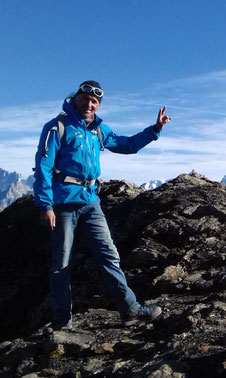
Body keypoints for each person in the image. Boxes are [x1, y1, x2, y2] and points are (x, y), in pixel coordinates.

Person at [33, 80, 170, 329]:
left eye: (95, 101)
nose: (89, 104)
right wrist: (46, 205)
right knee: (61, 264)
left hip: (91, 201)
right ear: (76, 99)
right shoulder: (57, 127)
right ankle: (62, 322)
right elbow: (43, 165)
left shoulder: (98, 130)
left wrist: (155, 129)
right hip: (63, 203)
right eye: (85, 98)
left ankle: (129, 310)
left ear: (98, 105)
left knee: (109, 255)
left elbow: (126, 145)